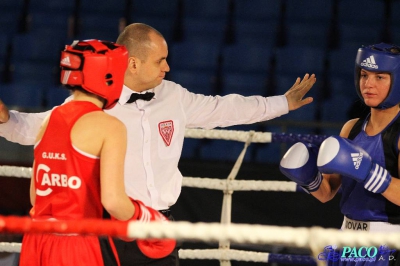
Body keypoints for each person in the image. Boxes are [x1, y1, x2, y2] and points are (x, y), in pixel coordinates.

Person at [0, 23, 316, 265]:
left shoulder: (173, 95)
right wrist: (4, 119)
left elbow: (225, 108)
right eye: (160, 60)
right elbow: (33, 128)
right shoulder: (91, 106)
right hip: (109, 227)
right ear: (133, 63)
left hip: (160, 221)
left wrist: (282, 104)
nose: (166, 68)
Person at [18, 39, 175, 266]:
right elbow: (112, 201)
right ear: (107, 76)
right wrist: (149, 218)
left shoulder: (49, 119)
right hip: (77, 244)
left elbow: (37, 196)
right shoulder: (109, 125)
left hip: (36, 242)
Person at [280, 42, 400, 265]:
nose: (368, 84)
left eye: (379, 77)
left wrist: (369, 173)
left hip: (388, 243)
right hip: (346, 237)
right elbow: (327, 193)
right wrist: (308, 178)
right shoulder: (351, 128)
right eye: (364, 75)